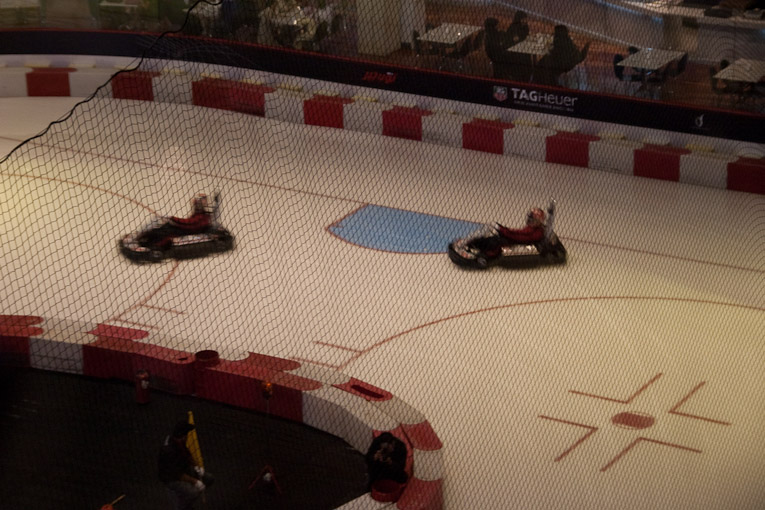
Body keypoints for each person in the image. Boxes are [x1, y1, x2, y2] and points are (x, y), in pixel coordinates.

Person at [158, 420, 214, 510]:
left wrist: (197, 467)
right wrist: (195, 482)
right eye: (186, 434)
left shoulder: (179, 442)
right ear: (182, 436)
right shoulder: (169, 451)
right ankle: (183, 507)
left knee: (209, 478)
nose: (187, 436)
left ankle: (185, 498)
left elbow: (187, 455)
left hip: (183, 470)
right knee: (193, 492)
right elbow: (177, 474)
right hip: (171, 478)